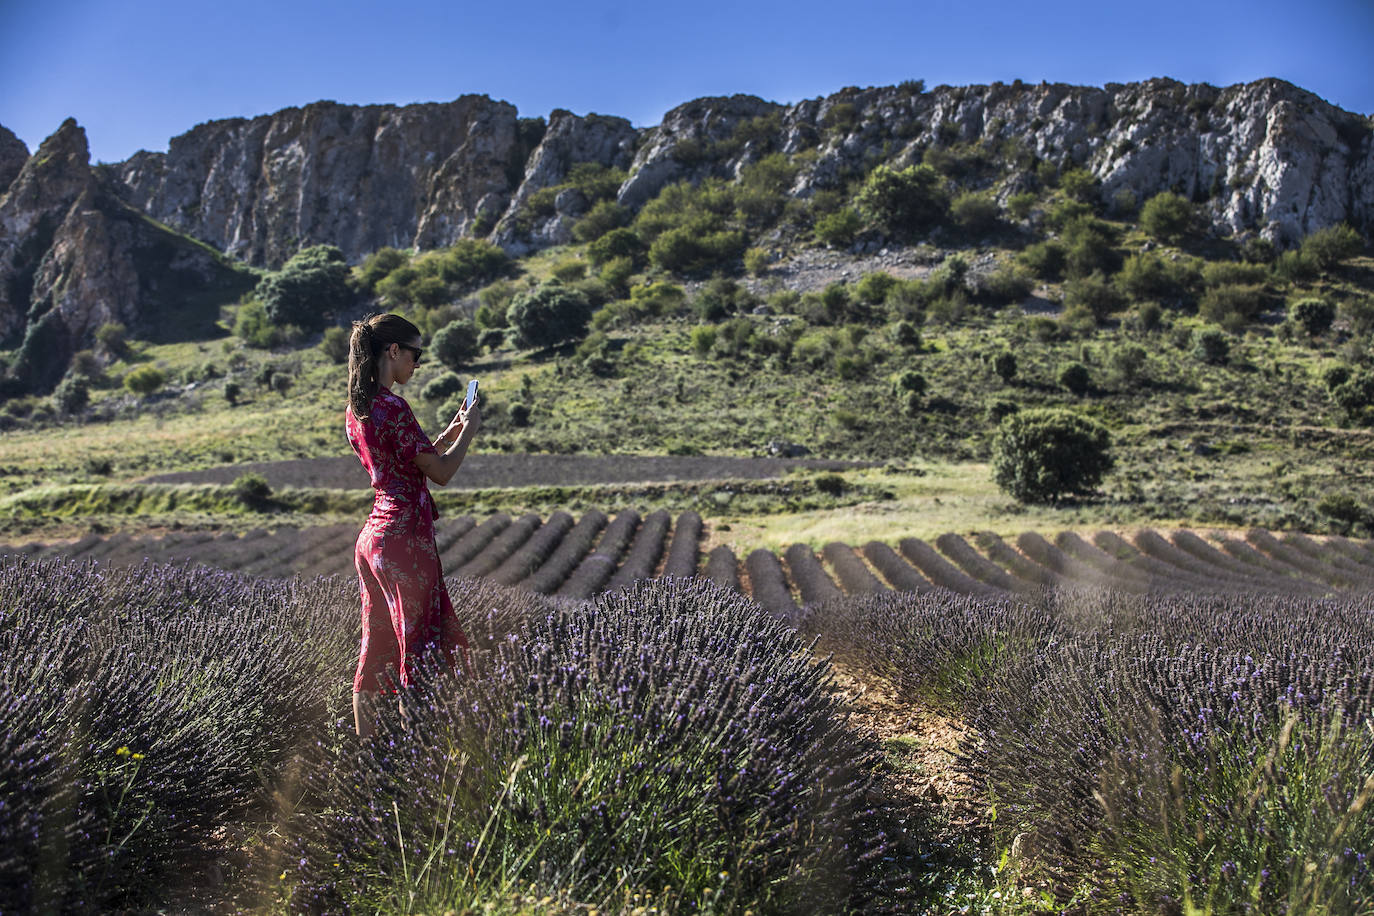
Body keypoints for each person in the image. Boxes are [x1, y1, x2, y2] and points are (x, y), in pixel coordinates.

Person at [345, 313, 481, 737]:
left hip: (372, 539)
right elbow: (439, 473)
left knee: (376, 645)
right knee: (416, 650)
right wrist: (471, 429)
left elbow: (408, 461)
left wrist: (451, 431)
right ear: (393, 351)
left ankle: (365, 761)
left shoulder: (358, 407)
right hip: (404, 539)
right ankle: (417, 762)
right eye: (415, 354)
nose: (416, 365)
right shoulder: (394, 406)